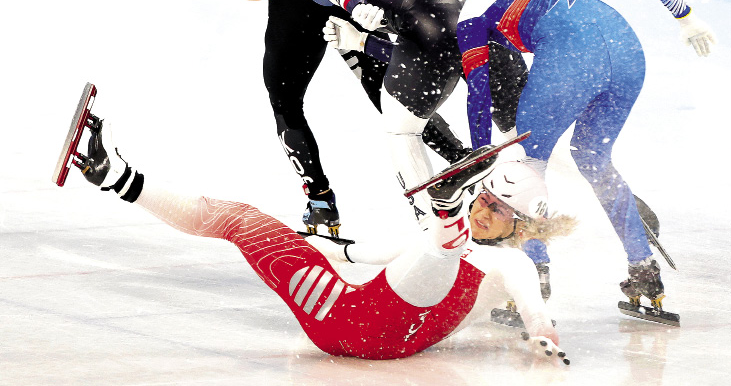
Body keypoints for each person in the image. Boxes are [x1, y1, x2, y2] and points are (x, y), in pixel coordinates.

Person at [65, 100, 569, 364]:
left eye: (498, 210)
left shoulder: (513, 263)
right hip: (338, 319)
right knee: (242, 220)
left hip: (385, 329)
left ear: (522, 227)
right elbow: (358, 254)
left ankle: (445, 216)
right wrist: (311, 245)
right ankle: (112, 173)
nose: (487, 211)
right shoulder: (432, 246)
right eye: (483, 198)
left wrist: (543, 336)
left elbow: (534, 311)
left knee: (444, 250)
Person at [442, 0, 717, 309]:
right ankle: (643, 269)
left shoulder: (474, 8)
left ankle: (535, 278)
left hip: (567, 65)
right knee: (593, 156)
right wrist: (685, 16)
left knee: (527, 166)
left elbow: (479, 89)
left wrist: (480, 153)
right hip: (628, 55)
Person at [194, 0, 472, 237]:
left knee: (286, 106)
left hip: (296, 6)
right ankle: (460, 156)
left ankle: (321, 204)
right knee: (386, 94)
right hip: (339, 1)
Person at [316, 0, 527, 228]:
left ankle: (433, 228)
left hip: (431, 40)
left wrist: (356, 10)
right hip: (487, 35)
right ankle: (616, 203)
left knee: (403, 132)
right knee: (535, 139)